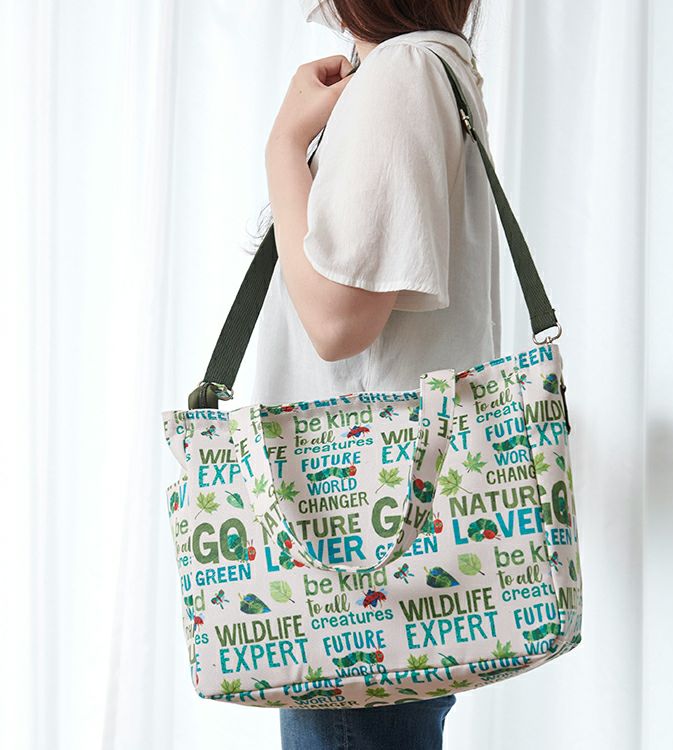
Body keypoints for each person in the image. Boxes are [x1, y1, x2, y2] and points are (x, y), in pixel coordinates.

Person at [253, 1, 499, 748]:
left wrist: (284, 146)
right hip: (383, 550)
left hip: (352, 557)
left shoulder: (404, 73)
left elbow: (337, 322)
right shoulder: (430, 67)